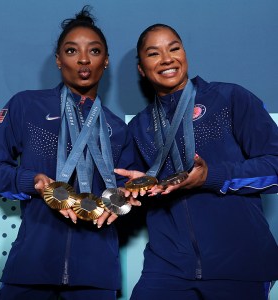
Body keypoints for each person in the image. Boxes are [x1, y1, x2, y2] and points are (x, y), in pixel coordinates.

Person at [0, 6, 136, 300]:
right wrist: (34, 181)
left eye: (95, 50)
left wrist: (126, 197)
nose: (84, 59)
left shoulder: (118, 128)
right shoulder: (26, 106)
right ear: (58, 60)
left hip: (96, 277)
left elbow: (126, 190)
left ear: (106, 62)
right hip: (30, 269)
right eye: (72, 50)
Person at [115, 23, 278, 300]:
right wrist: (129, 190)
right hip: (167, 268)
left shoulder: (229, 98)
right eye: (154, 53)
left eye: (174, 48)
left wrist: (210, 176)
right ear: (142, 69)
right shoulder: (140, 126)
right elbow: (129, 185)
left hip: (240, 263)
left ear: (185, 53)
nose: (167, 58)